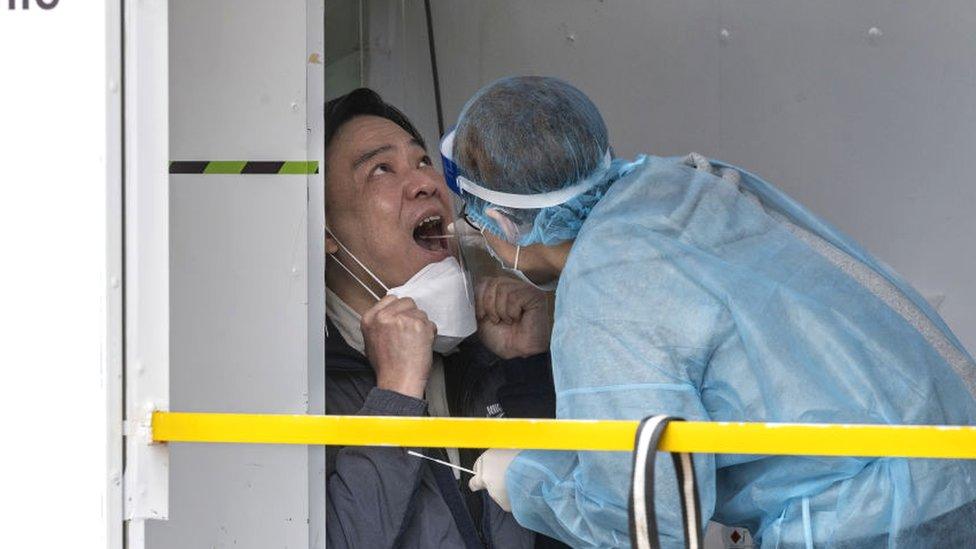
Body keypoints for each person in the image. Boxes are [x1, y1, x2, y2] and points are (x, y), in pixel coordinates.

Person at [445, 76, 976, 548]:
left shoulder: (606, 291)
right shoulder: (678, 186)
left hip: (873, 516)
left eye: (473, 218)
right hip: (950, 462)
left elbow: (647, 523)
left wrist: (527, 480)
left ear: (504, 220)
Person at [321, 88, 568, 548]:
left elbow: (577, 526)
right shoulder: (303, 384)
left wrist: (528, 369)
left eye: (421, 162)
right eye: (381, 169)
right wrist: (394, 395)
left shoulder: (486, 353)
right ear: (325, 229)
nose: (426, 183)